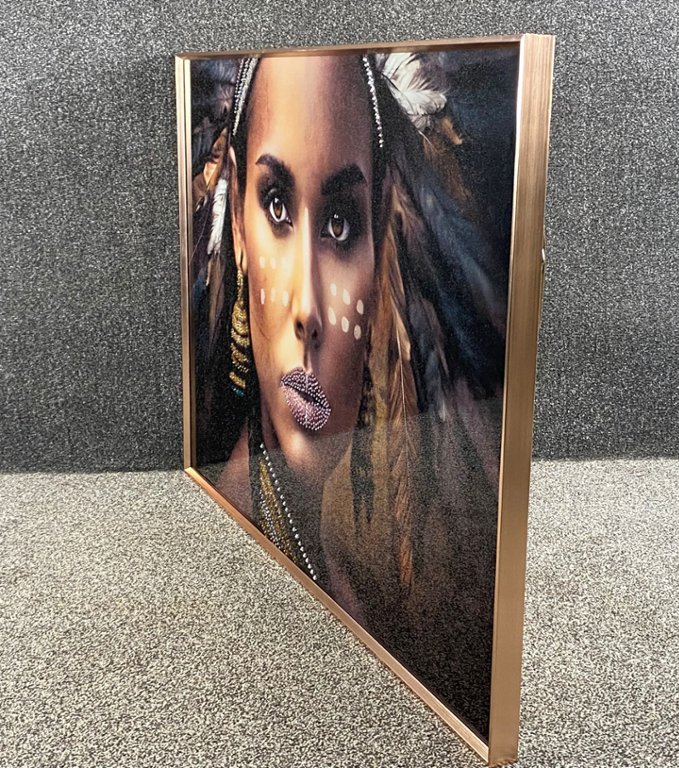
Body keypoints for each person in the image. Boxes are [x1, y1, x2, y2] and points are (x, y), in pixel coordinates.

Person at [190, 49, 516, 738]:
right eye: (276, 205)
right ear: (240, 229)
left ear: (382, 234)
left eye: (340, 224)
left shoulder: (439, 523)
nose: (308, 308)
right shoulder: (225, 525)